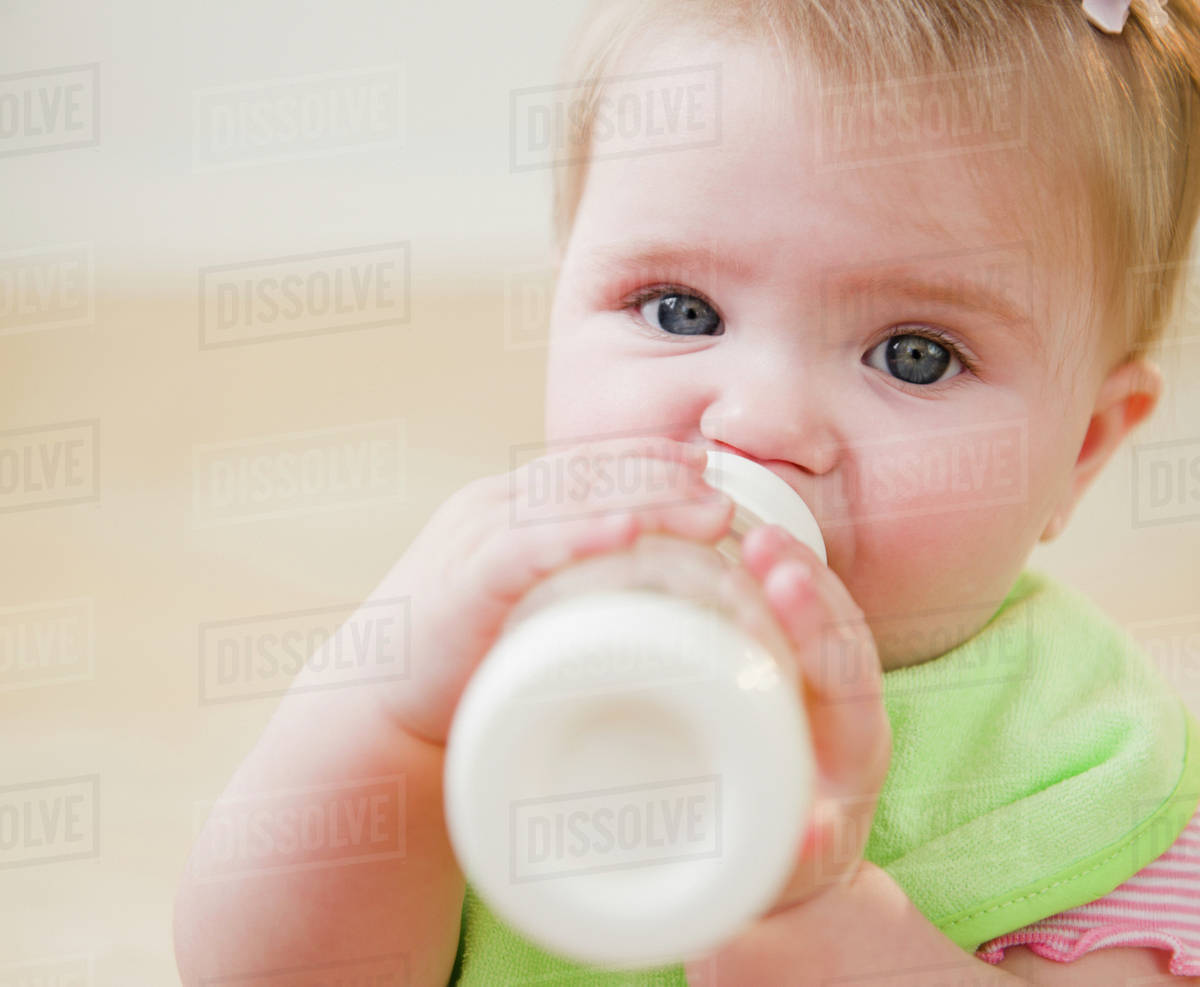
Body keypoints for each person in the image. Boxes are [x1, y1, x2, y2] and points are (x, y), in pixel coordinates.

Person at [174, 0, 1200, 982]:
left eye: (916, 355)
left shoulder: (1084, 759)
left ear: (1084, 451)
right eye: (678, 308)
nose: (759, 424)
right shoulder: (489, 649)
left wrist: (808, 915)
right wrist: (388, 724)